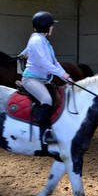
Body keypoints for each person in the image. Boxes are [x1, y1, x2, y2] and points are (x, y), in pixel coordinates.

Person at [21, 11, 72, 145]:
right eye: (51, 25)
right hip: (31, 79)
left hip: (43, 80)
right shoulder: (36, 41)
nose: (52, 28)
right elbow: (44, 63)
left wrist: (66, 76)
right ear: (45, 27)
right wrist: (61, 74)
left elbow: (55, 62)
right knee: (47, 99)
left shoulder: (44, 41)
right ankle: (44, 134)